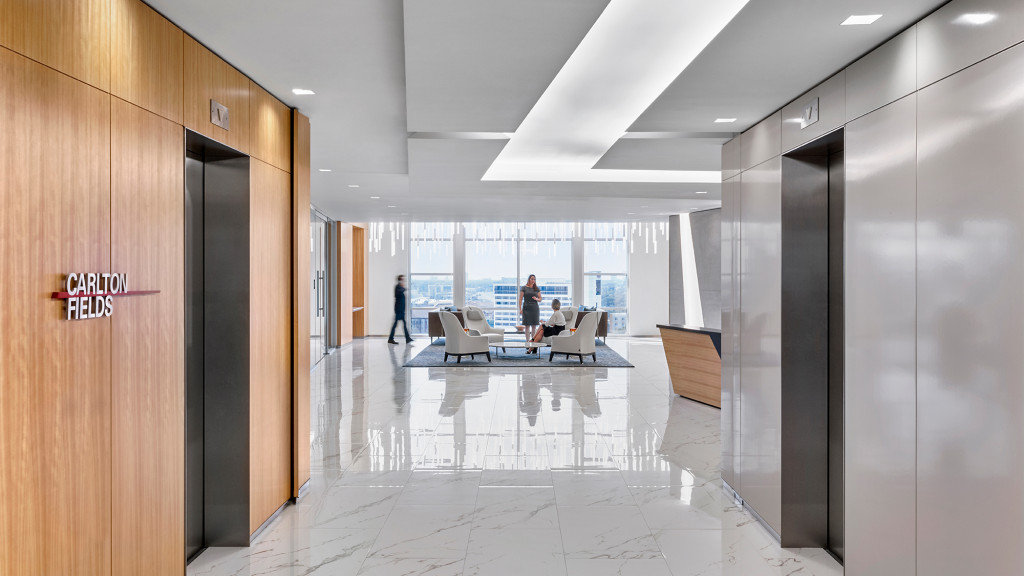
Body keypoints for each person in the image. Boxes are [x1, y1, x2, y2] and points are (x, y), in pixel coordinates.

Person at [388, 274, 413, 344]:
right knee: (396, 324)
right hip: (399, 310)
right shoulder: (398, 287)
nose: (404, 280)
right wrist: (403, 287)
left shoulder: (400, 287)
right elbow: (401, 291)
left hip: (401, 309)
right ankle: (391, 339)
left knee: (403, 324)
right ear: (400, 280)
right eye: (402, 279)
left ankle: (407, 338)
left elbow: (403, 290)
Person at [518, 274, 542, 342]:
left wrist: (536, 299)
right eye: (532, 279)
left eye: (534, 279)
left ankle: (533, 341)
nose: (533, 280)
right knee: (527, 326)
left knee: (534, 326)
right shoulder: (524, 288)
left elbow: (540, 299)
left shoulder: (536, 288)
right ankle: (527, 341)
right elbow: (520, 299)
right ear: (529, 279)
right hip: (526, 308)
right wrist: (520, 309)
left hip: (534, 308)